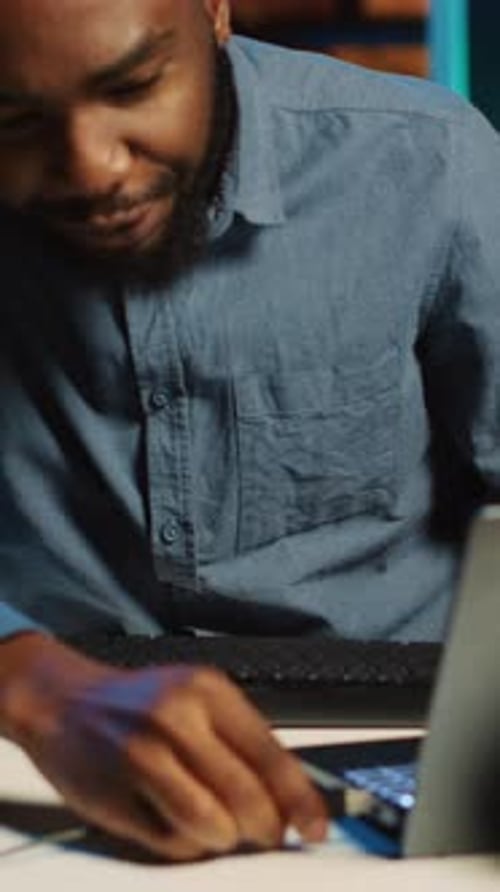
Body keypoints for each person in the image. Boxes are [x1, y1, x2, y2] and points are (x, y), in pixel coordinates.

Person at [0, 0, 499, 863]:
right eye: (12, 119)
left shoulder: (428, 162)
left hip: (400, 752)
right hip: (34, 747)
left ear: (216, 13)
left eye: (134, 85)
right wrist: (29, 683)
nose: (90, 168)